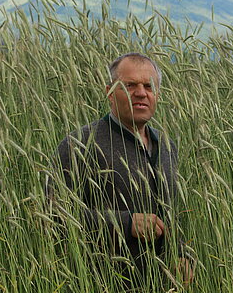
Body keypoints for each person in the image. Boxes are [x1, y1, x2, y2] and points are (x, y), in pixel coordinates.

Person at [51, 52, 195, 289]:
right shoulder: (80, 144)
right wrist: (126, 223)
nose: (141, 93)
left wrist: (179, 253)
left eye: (148, 86)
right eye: (130, 85)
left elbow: (170, 214)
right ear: (109, 92)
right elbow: (53, 215)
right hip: (102, 283)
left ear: (157, 94)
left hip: (162, 284)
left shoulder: (166, 146)